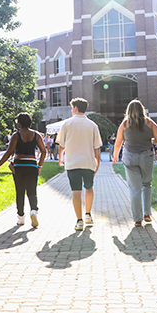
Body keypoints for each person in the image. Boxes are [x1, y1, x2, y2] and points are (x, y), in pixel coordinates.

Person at [112, 100, 157, 227]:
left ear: (128, 110)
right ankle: (147, 213)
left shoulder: (125, 124)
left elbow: (118, 143)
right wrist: (150, 139)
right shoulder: (150, 123)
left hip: (129, 156)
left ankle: (137, 219)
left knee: (135, 188)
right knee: (147, 184)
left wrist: (115, 156)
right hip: (146, 155)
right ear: (142, 109)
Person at [0, 113, 47, 227]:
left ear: (19, 123)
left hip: (19, 166)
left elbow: (8, 153)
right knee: (32, 191)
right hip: (32, 165)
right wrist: (39, 166)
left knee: (20, 191)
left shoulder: (16, 136)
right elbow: (44, 151)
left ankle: (21, 217)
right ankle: (33, 211)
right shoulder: (36, 135)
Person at [56, 97, 102, 231]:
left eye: (72, 107)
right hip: (88, 162)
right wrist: (97, 164)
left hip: (72, 163)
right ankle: (88, 214)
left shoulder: (67, 124)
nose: (71, 110)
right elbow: (96, 148)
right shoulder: (93, 125)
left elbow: (61, 145)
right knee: (89, 188)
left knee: (76, 192)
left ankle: (79, 220)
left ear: (75, 108)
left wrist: (60, 159)